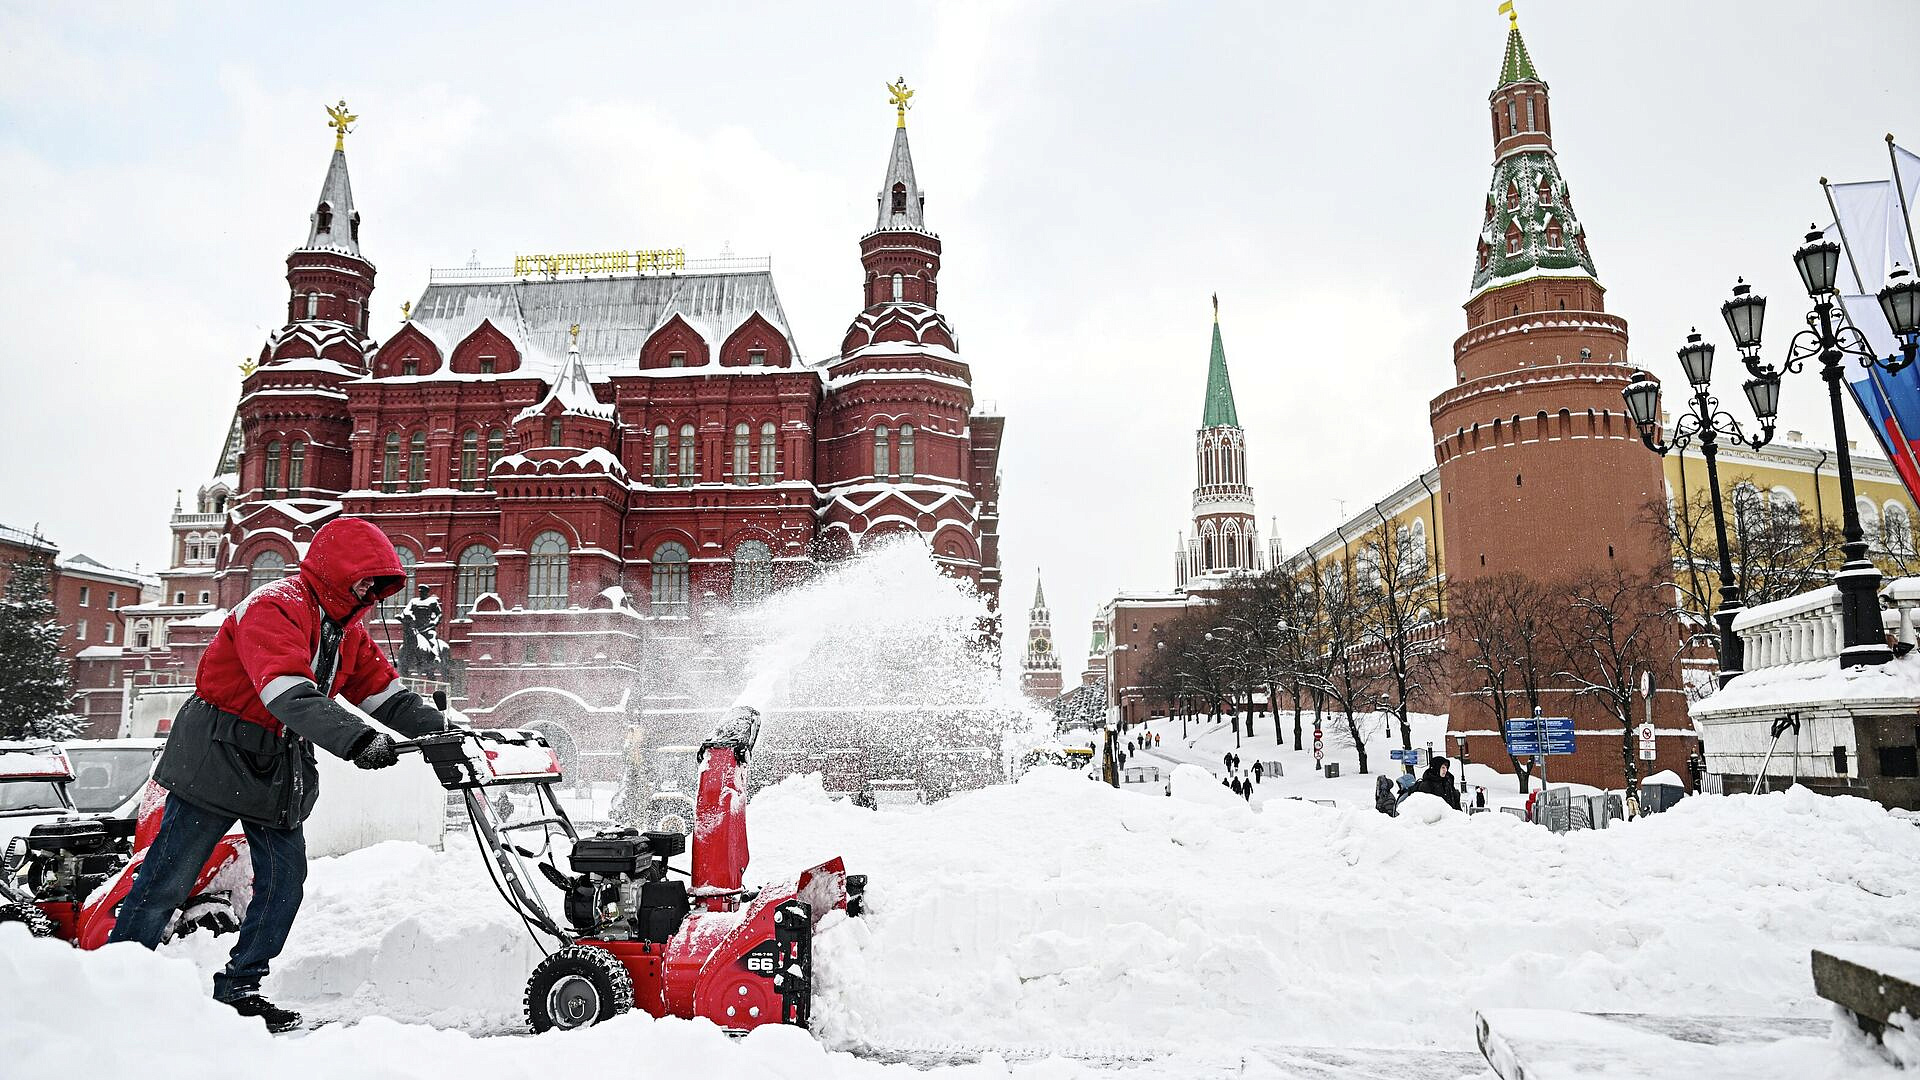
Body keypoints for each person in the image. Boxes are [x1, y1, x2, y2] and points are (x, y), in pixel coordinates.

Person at [107, 518, 457, 1033]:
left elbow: (382, 692)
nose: (368, 593)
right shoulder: (275, 606)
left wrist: (440, 735)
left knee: (284, 882)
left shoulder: (346, 631)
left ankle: (241, 987)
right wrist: (358, 741)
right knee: (168, 878)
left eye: (375, 587)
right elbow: (287, 693)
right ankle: (118, 985)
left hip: (277, 764)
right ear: (336, 572)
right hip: (216, 756)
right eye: (363, 582)